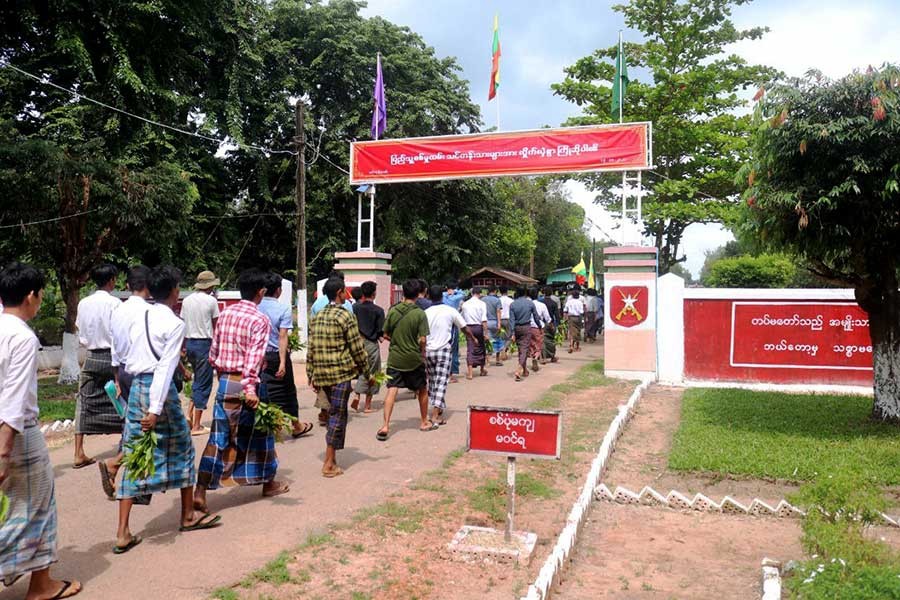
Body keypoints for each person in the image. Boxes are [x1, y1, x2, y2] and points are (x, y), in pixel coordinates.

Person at [116, 266, 221, 555]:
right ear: (175, 291)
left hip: (137, 386)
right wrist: (155, 408)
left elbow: (124, 352)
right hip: (159, 393)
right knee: (184, 449)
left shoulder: (138, 314)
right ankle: (187, 516)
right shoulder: (174, 324)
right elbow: (164, 368)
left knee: (136, 454)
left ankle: (122, 531)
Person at [0, 262, 83, 599]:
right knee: (37, 509)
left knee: (17, 508)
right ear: (31, 296)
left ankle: (37, 579)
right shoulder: (22, 337)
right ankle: (41, 586)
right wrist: (3, 452)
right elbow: (14, 399)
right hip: (17, 435)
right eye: (41, 294)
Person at [194, 269, 288, 512]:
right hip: (248, 383)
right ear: (261, 292)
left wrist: (221, 373)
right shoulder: (259, 319)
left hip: (226, 381)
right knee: (262, 434)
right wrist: (250, 389)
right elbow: (253, 359)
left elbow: (214, 351)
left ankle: (200, 490)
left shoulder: (226, 313)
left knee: (219, 436)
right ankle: (268, 483)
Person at [307, 278, 372, 477]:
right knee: (337, 416)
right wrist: (367, 373)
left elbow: (311, 346)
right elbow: (357, 348)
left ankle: (332, 458)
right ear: (339, 293)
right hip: (340, 373)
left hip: (321, 373)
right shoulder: (345, 316)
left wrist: (310, 373)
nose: (347, 295)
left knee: (332, 414)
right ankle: (328, 463)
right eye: (345, 291)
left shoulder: (317, 316)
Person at [99, 265, 153, 502]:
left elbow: (115, 346)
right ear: (149, 285)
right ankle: (119, 465)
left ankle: (128, 473)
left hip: (123, 371)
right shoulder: (149, 312)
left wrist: (116, 376)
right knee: (147, 425)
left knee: (136, 423)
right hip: (142, 372)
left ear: (128, 285)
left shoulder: (119, 310)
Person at [73, 264, 124, 469]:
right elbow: (120, 333)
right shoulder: (116, 304)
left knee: (83, 401)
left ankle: (78, 452)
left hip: (91, 357)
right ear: (111, 280)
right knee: (122, 399)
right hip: (112, 358)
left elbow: (80, 330)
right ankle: (124, 448)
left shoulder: (84, 303)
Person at [259, 273, 313, 439]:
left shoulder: (256, 307)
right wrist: (283, 362)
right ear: (278, 290)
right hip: (276, 355)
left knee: (265, 390)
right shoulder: (283, 309)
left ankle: (271, 426)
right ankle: (296, 425)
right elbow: (283, 336)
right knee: (287, 390)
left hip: (258, 355)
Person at [377, 280, 433, 441]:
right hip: (414, 358)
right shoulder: (420, 314)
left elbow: (385, 334)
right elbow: (423, 339)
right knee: (422, 389)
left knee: (392, 389)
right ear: (418, 294)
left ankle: (385, 425)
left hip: (395, 358)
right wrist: (421, 351)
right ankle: (424, 421)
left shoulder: (393, 311)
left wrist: (396, 340)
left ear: (403, 293)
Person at [424, 286, 473, 426]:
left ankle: (437, 408)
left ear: (429, 296)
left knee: (432, 381)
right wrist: (473, 338)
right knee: (441, 382)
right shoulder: (450, 310)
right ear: (442, 296)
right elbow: (464, 327)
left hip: (428, 351)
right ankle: (435, 416)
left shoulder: (425, 313)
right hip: (443, 350)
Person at [181, 270, 220, 436]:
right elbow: (216, 325)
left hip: (190, 343)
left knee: (198, 380)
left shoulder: (187, 300)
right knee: (204, 383)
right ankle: (197, 425)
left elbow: (183, 322)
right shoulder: (211, 301)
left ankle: (189, 414)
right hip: (204, 343)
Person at [351, 281, 384, 413]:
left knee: (361, 369)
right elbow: (380, 331)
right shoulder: (379, 311)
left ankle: (357, 395)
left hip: (357, 342)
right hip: (371, 344)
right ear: (374, 294)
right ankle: (367, 405)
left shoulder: (355, 308)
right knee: (373, 371)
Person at [509, 286, 543, 382]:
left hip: (517, 328)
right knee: (524, 349)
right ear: (525, 293)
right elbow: (536, 317)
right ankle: (519, 369)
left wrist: (512, 333)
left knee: (521, 349)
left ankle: (524, 370)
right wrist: (539, 326)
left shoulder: (513, 304)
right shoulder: (530, 303)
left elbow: (511, 320)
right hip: (526, 327)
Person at [460, 287, 488, 379]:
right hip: (478, 327)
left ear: (472, 293)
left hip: (468, 327)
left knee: (470, 348)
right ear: (480, 294)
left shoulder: (465, 304)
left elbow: (462, 318)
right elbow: (484, 320)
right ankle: (482, 369)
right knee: (481, 347)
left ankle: (470, 372)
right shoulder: (482, 304)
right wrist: (486, 333)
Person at [442, 282, 465, 383]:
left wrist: (447, 292)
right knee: (453, 350)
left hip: (442, 323)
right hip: (452, 324)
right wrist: (455, 291)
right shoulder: (456, 298)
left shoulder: (443, 296)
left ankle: (443, 372)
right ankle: (450, 374)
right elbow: (463, 294)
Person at [530, 287, 551, 371]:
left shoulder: (527, 304)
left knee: (532, 344)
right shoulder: (542, 305)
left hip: (528, 326)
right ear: (538, 295)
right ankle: (537, 357)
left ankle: (533, 356)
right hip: (538, 327)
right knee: (539, 344)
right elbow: (547, 318)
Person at [482, 286, 503, 366]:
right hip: (494, 322)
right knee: (497, 340)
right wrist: (499, 323)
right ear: (495, 291)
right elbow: (498, 311)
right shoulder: (497, 300)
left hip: (485, 322)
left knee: (487, 341)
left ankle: (487, 360)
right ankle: (497, 359)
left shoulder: (483, 299)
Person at [540, 286, 560, 364]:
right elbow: (557, 315)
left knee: (543, 340)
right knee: (551, 340)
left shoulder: (541, 302)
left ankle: (543, 357)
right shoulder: (553, 303)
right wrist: (557, 324)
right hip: (551, 323)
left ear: (544, 293)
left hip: (542, 323)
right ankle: (552, 356)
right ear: (551, 293)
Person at [498, 286, 514, 361]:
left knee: (501, 336)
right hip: (508, 319)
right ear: (507, 291)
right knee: (509, 336)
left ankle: (502, 349)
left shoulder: (498, 300)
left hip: (500, 319)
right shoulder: (511, 300)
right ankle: (504, 349)